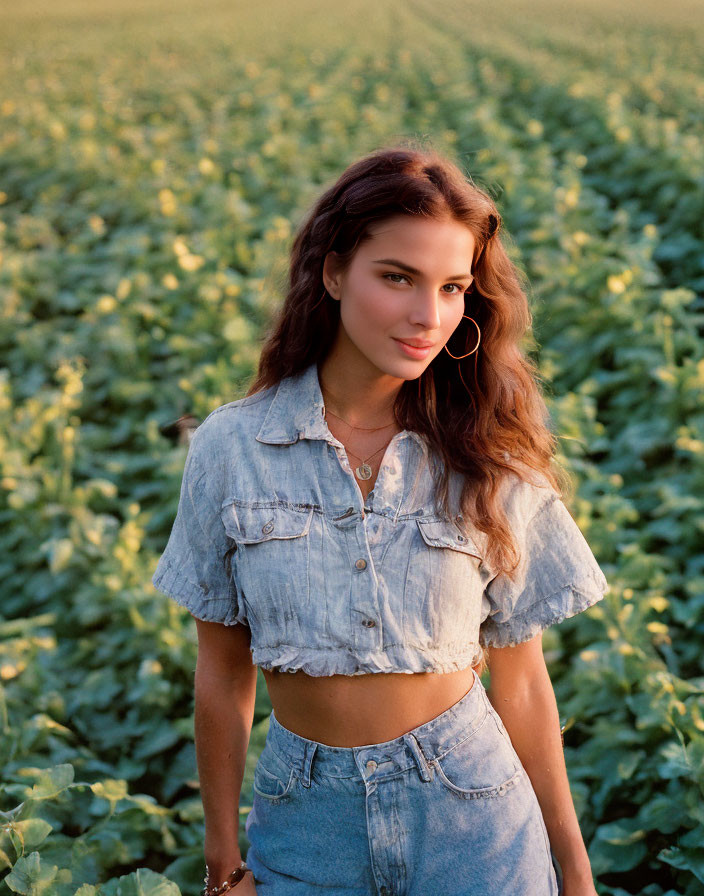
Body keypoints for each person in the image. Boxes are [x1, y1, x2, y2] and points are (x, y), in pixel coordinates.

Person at [152, 144, 609, 896]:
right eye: (398, 278)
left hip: (473, 813)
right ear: (333, 272)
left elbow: (521, 680)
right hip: (305, 821)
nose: (428, 315)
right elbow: (222, 671)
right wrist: (221, 856)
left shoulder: (485, 452)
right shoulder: (233, 446)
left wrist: (576, 867)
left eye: (453, 286)